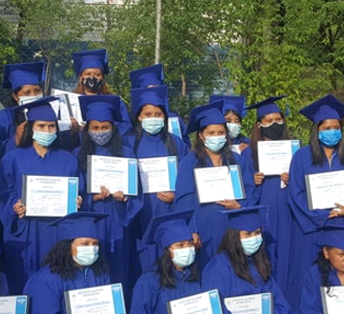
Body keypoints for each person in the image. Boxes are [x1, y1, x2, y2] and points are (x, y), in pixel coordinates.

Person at [285, 95, 344, 311]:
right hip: (312, 228)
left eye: (336, 127)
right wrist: (322, 216)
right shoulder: (302, 157)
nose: (332, 131)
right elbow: (296, 193)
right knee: (307, 276)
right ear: (317, 130)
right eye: (327, 127)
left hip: (343, 226)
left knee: (341, 274)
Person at [0, 96, 85, 293]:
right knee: (25, 276)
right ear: (31, 127)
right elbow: (5, 190)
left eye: (51, 127)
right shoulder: (13, 158)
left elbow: (78, 188)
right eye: (41, 126)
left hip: (58, 230)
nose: (47, 131)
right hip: (27, 229)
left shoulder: (68, 159)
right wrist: (14, 205)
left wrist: (78, 200)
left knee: (58, 276)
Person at [175, 101, 258, 267]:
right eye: (211, 133)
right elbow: (183, 201)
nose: (216, 136)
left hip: (233, 227)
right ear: (201, 135)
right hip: (204, 228)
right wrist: (192, 229)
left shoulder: (238, 161)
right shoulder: (190, 163)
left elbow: (252, 194)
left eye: (220, 132)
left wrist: (239, 206)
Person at [73, 95, 142, 290]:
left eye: (105, 127)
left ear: (113, 128)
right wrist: (91, 198)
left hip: (118, 219)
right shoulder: (78, 154)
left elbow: (137, 194)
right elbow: (73, 193)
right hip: (90, 221)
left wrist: (126, 198)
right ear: (87, 129)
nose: (100, 132)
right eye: (95, 128)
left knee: (119, 269)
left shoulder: (127, 153)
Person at [127, 86, 190, 273]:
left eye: (158, 114)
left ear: (165, 117)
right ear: (139, 117)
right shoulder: (129, 143)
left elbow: (187, 178)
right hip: (141, 213)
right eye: (148, 114)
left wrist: (176, 196)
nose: (153, 118)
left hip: (169, 211)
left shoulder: (175, 142)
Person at [246, 95, 296, 291]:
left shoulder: (295, 153)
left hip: (287, 216)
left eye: (278, 119)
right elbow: (243, 193)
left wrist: (293, 181)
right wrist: (254, 182)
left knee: (286, 256)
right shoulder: (247, 155)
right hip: (262, 217)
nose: (274, 124)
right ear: (259, 125)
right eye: (268, 121)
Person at [0, 61, 46, 159]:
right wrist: (16, 139)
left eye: (37, 91)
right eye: (26, 93)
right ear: (15, 96)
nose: (33, 95)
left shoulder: (49, 115)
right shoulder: (3, 118)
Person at [71, 49, 131, 137]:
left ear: (103, 78)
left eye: (97, 75)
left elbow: (126, 126)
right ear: (81, 77)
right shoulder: (72, 101)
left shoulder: (114, 101)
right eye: (88, 74)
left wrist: (107, 130)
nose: (92, 77)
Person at [130, 64, 190, 147]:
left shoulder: (174, 120)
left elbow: (186, 146)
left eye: (157, 88)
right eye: (148, 89)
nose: (153, 92)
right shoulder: (130, 123)